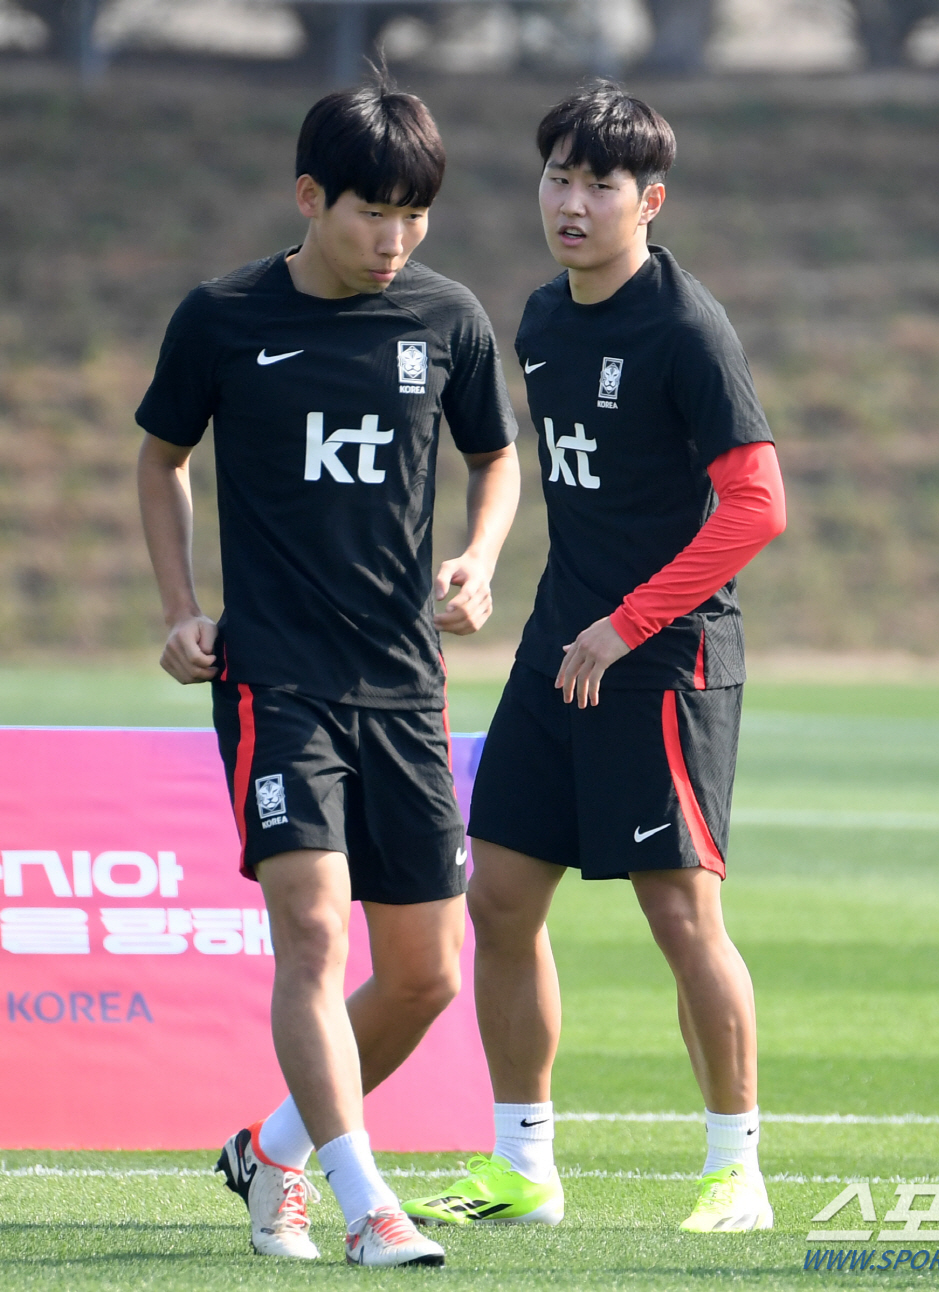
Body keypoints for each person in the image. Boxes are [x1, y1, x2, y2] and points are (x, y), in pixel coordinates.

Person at [136, 76, 521, 1267]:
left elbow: (495, 457)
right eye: (370, 213)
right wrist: (181, 610)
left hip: (404, 683)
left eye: (415, 216)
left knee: (423, 977)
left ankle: (273, 1151)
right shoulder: (222, 316)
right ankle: (367, 1203)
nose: (393, 240)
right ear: (310, 197)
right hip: (276, 678)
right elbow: (161, 461)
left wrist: (478, 556)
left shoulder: (448, 320)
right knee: (311, 934)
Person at [401, 83, 786, 1235]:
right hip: (558, 649)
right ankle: (525, 1165)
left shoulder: (686, 328)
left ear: (649, 199)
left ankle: (737, 1172)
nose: (571, 204)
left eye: (599, 185)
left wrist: (629, 623)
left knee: (681, 916)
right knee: (502, 895)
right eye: (556, 178)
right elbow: (551, 479)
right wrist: (480, 566)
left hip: (663, 658)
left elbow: (755, 507)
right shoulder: (542, 317)